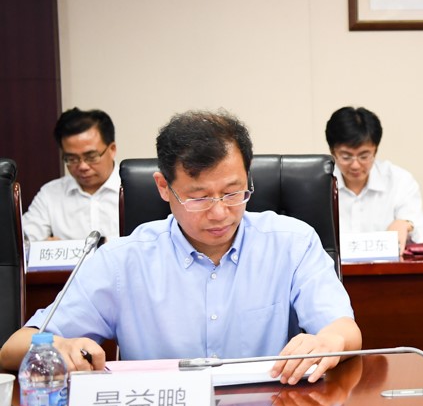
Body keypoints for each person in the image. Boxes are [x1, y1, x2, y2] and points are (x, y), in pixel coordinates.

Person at [1, 110, 361, 385]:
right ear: (163, 187)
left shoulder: (292, 243)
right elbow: (13, 348)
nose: (219, 213)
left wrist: (328, 340)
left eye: (233, 192)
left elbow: (345, 330)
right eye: (198, 197)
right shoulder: (122, 262)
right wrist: (56, 347)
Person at [325, 106, 423, 250]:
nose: (355, 165)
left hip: (388, 265)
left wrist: (407, 224)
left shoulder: (399, 181)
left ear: (375, 150)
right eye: (346, 157)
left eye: (364, 156)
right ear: (333, 152)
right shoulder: (320, 185)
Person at [22, 108, 120, 243]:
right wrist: (41, 247)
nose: (82, 166)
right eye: (72, 159)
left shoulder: (136, 191)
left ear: (112, 150)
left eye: (91, 156)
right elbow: (22, 241)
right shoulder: (50, 193)